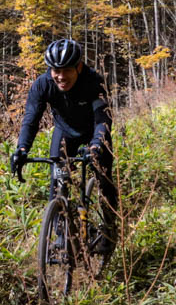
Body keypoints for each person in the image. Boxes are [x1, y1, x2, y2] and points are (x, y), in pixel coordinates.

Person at [10, 38, 117, 256]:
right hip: (65, 134)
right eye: (55, 70)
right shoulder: (43, 84)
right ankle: (62, 234)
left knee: (104, 179)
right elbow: (31, 119)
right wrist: (22, 149)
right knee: (58, 180)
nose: (60, 76)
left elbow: (102, 119)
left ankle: (109, 229)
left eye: (66, 70)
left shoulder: (93, 82)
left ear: (78, 67)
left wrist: (97, 145)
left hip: (94, 133)